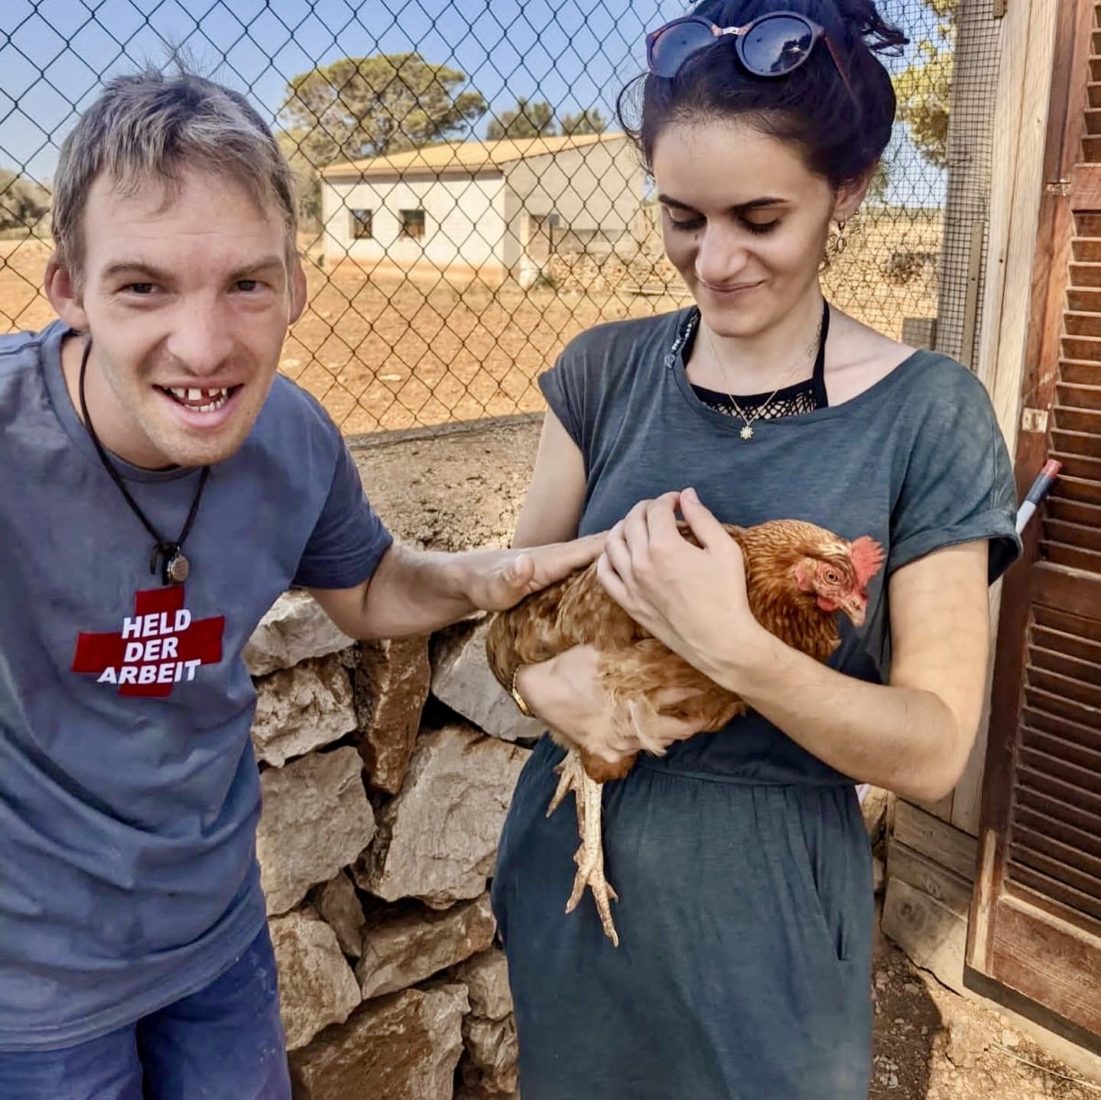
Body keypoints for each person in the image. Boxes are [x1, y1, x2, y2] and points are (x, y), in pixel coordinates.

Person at [0, 67, 602, 1098]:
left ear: (297, 286)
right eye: (143, 285)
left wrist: (492, 575)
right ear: (67, 289)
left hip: (217, 932)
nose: (204, 347)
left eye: (247, 283)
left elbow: (369, 590)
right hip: (31, 983)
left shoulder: (293, 437)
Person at [490, 2, 1022, 1097]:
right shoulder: (602, 372)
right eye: (681, 216)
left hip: (769, 913)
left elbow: (931, 749)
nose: (714, 260)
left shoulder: (930, 413)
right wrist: (552, 689)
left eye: (759, 217)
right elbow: (503, 616)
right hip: (576, 873)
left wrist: (731, 646)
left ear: (851, 192)